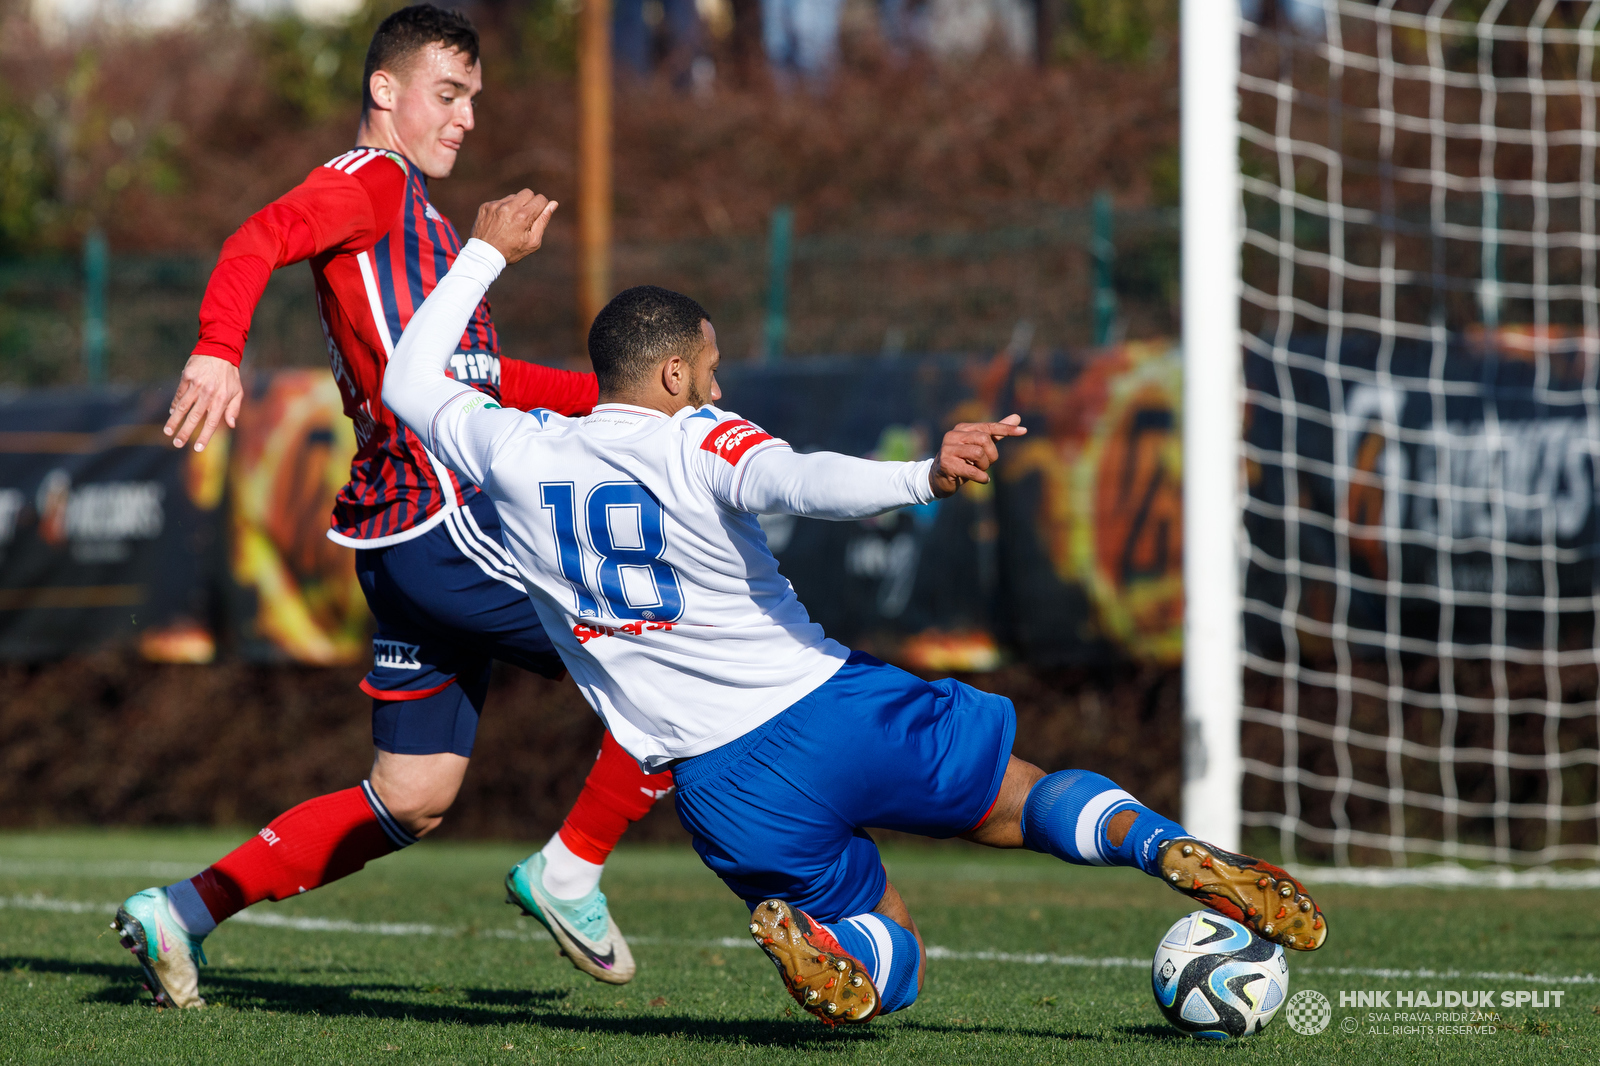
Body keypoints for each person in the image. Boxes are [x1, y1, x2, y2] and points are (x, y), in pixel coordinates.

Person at [379, 191, 1331, 1026]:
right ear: (671, 375)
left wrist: (485, 254)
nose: (719, 382)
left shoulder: (515, 451)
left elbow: (405, 381)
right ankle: (1163, 846)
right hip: (829, 711)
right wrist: (922, 473)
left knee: (892, 952)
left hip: (721, 791)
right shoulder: (697, 439)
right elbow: (802, 479)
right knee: (1015, 798)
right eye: (709, 367)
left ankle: (844, 958)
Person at [111, 5, 671, 1010]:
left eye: (472, 102)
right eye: (445, 95)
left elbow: (481, 376)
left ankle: (180, 913)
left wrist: (617, 399)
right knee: (667, 661)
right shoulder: (369, 185)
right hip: (443, 520)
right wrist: (214, 344)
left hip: (405, 539)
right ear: (384, 91)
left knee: (413, 796)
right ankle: (607, 874)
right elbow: (259, 234)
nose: (462, 120)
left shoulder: (423, 226)